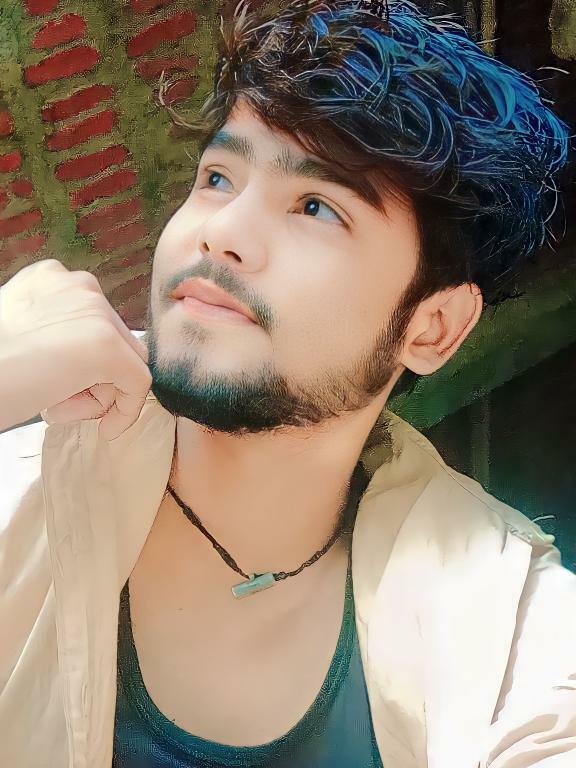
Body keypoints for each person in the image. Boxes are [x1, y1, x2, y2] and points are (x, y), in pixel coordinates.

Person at [0, 0, 574, 766]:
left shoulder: (505, 631)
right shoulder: (19, 498)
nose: (221, 231)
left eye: (315, 207)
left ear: (432, 327)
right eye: (217, 177)